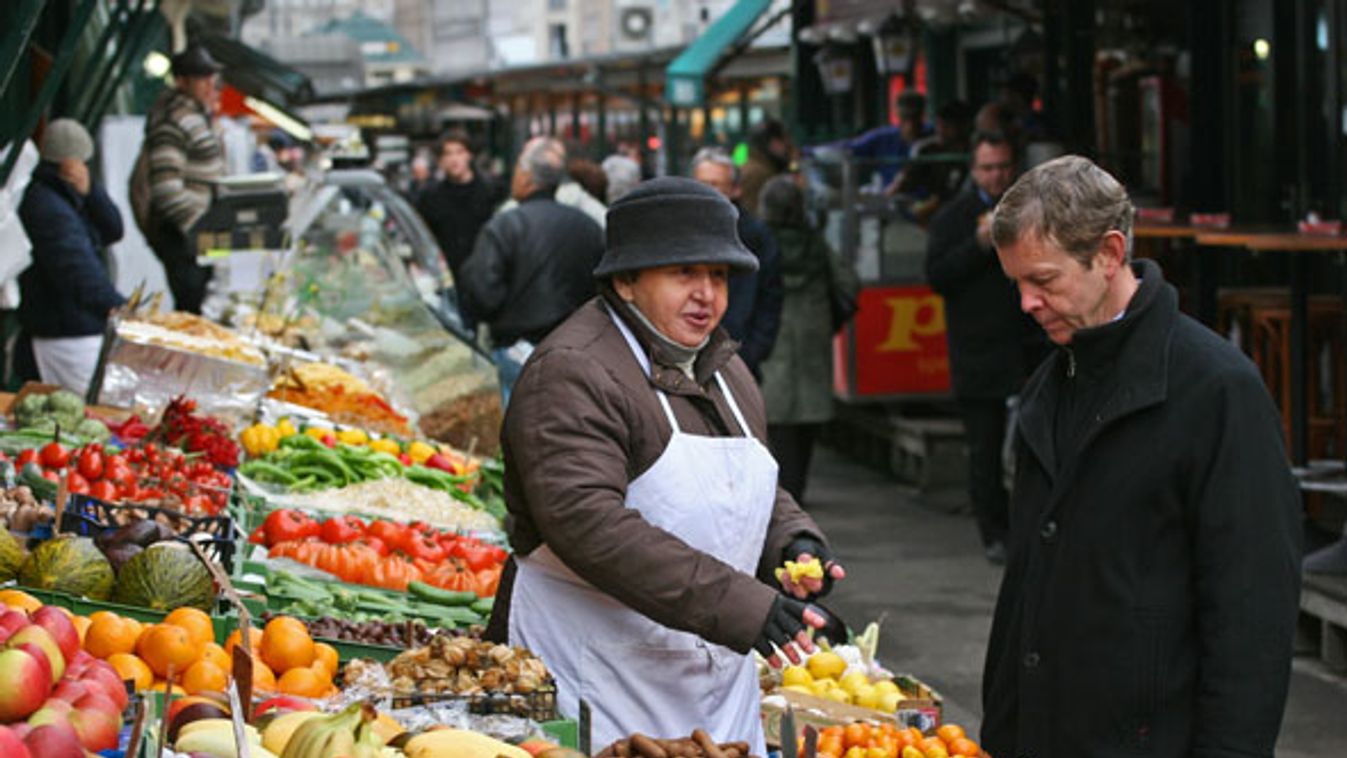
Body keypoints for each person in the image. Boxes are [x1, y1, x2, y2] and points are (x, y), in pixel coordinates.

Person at [485, 177, 846, 754]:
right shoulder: (572, 371)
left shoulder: (725, 368)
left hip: (713, 684)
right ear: (626, 280)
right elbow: (587, 521)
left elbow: (751, 479)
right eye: (685, 273)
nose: (707, 295)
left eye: (720, 276)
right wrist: (745, 607)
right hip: (596, 674)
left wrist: (794, 542)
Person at [981, 155, 1302, 758]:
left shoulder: (1215, 390)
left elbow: (1251, 613)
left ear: (1109, 253)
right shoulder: (1050, 385)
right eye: (1016, 284)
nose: (1026, 302)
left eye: (1043, 281)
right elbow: (1026, 587)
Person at [924, 131, 1029, 565]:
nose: (996, 176)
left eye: (1003, 166)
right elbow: (938, 276)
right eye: (987, 168)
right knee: (984, 452)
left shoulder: (1030, 212)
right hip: (976, 351)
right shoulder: (954, 217)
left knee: (1030, 450)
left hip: (1026, 349)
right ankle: (995, 533)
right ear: (973, 170)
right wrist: (979, 245)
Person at [457, 136, 604, 402]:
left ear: (526, 177)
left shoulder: (504, 225)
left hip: (516, 349)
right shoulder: (588, 225)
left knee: (519, 428)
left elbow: (483, 295)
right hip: (579, 351)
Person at [17, 119, 126, 394]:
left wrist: (91, 193)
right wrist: (117, 306)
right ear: (68, 163)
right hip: (64, 335)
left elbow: (113, 229)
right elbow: (77, 269)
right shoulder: (48, 208)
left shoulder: (68, 198)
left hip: (75, 328)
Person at [756, 175, 846, 503]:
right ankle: (799, 490)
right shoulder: (815, 244)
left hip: (775, 337)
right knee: (806, 424)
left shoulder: (760, 244)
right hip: (812, 335)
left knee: (775, 424)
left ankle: (781, 495)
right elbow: (848, 283)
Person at [137, 44, 226, 314]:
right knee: (192, 309)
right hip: (182, 237)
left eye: (212, 76)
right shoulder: (173, 121)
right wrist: (199, 232)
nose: (211, 84)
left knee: (201, 307)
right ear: (181, 81)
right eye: (202, 78)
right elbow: (166, 188)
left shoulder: (197, 115)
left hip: (198, 237)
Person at [690, 147, 783, 378]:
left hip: (740, 361)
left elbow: (771, 296)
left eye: (715, 185)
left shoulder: (756, 236)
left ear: (735, 190)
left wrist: (753, 351)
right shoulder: (679, 234)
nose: (707, 192)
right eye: (701, 184)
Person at [416, 130, 502, 285]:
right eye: (448, 154)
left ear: (469, 155)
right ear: (441, 160)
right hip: (446, 277)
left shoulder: (491, 190)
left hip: (486, 274)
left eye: (459, 152)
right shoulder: (429, 196)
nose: (454, 159)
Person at [890, 99, 975, 226]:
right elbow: (905, 183)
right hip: (932, 215)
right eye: (939, 124)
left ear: (963, 126)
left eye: (947, 125)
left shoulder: (976, 151)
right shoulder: (927, 149)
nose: (941, 130)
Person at [846, 90, 930, 186]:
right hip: (891, 198)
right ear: (898, 114)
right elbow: (848, 147)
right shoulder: (884, 137)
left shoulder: (933, 135)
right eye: (905, 118)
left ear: (922, 115)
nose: (910, 124)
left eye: (915, 117)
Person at [739, 118, 791, 216]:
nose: (786, 149)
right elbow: (753, 212)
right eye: (784, 142)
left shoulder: (758, 167)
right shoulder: (759, 173)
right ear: (774, 143)